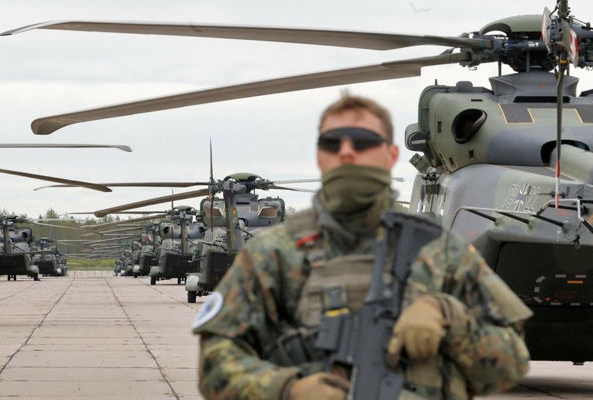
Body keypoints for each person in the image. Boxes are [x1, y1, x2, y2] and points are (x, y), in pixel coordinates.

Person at [192, 94, 532, 400]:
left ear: (391, 154)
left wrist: (450, 317)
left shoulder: (440, 252)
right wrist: (286, 388)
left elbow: (511, 363)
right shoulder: (273, 254)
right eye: (332, 143)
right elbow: (215, 366)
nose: (346, 151)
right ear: (320, 157)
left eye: (363, 141)